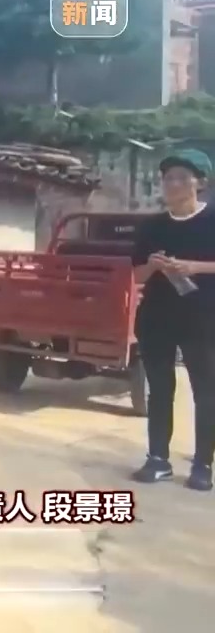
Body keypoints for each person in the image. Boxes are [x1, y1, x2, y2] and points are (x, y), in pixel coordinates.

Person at [129, 148, 215, 492]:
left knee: (205, 392)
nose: (173, 184)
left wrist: (195, 267)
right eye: (168, 178)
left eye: (182, 178)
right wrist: (152, 266)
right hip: (157, 317)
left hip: (203, 318)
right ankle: (158, 459)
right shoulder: (152, 226)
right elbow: (136, 274)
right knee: (160, 390)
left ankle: (203, 465)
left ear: (201, 182)